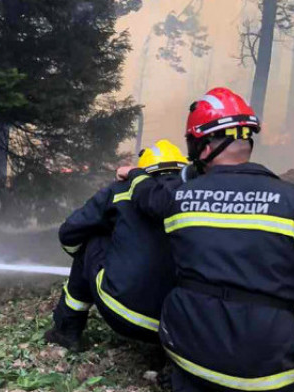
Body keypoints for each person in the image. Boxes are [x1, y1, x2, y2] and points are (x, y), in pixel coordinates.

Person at [117, 87, 294, 392]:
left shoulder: (178, 197)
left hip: (192, 360)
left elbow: (147, 196)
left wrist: (134, 173)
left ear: (206, 145)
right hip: (271, 370)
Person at [45, 140, 187, 352]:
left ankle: (67, 330)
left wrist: (86, 258)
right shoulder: (198, 198)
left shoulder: (121, 191)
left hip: (126, 314)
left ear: (142, 171)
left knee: (90, 242)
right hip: (181, 326)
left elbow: (70, 233)